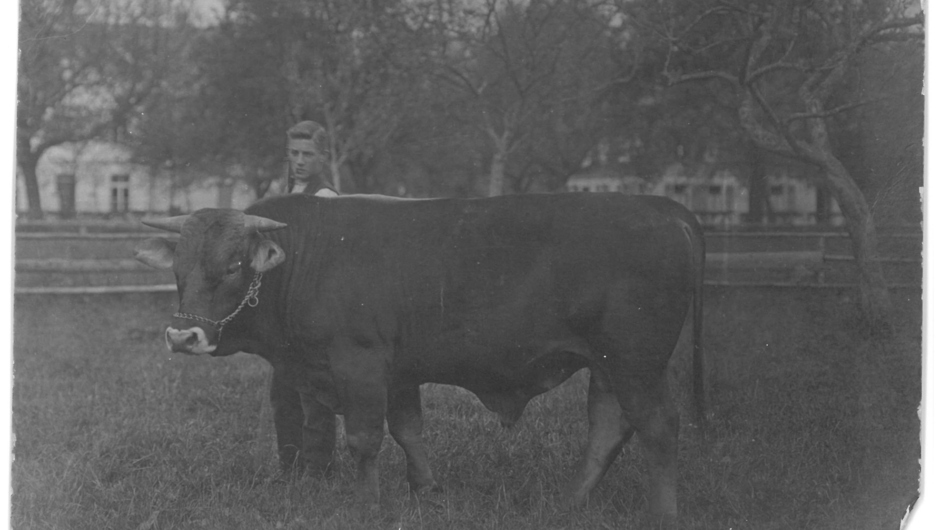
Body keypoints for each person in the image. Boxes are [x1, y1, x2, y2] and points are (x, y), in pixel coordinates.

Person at [270, 120, 339, 197]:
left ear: (323, 155)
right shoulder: (288, 188)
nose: (300, 161)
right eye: (294, 153)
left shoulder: (324, 194)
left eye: (307, 154)